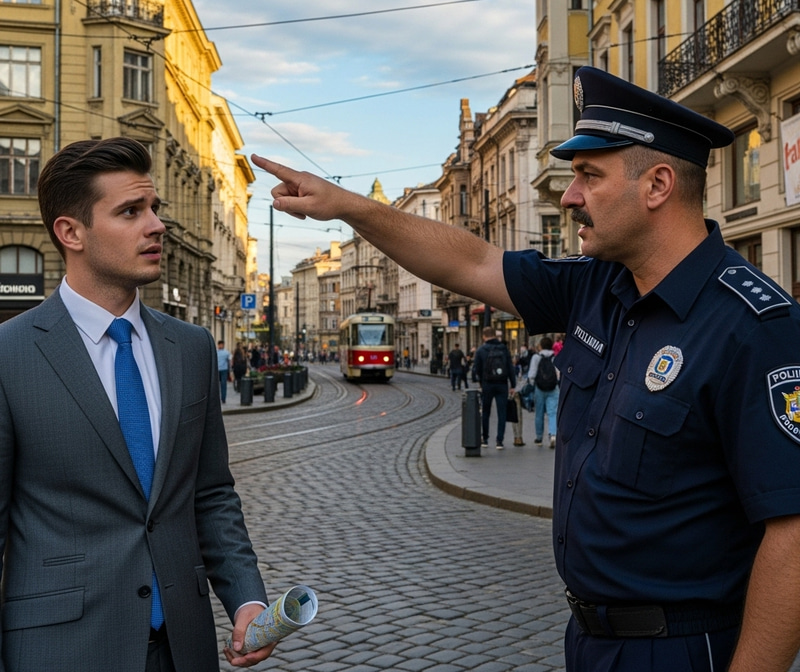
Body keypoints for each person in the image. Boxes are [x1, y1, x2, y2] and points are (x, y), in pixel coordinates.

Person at [252, 65, 800, 672]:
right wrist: (348, 206)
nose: (569, 196)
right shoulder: (597, 286)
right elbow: (472, 262)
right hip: (590, 642)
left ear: (658, 185)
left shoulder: (755, 325)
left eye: (589, 176)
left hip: (684, 649)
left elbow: (794, 535)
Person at [0, 137, 275, 672]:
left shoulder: (191, 346)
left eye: (154, 208)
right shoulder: (9, 354)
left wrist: (248, 600)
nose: (156, 226)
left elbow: (212, 492)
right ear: (71, 232)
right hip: (61, 651)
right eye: (130, 211)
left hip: (184, 646)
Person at [471, 326, 516, 449]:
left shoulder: (481, 350)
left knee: (486, 412)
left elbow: (477, 369)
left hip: (487, 384)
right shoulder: (503, 348)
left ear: (484, 336)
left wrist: (480, 381)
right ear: (495, 335)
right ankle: (499, 441)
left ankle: (485, 439)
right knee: (502, 413)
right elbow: (510, 368)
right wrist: (513, 385)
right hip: (502, 383)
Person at [527, 336, 559, 448]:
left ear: (541, 345)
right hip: (553, 387)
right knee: (552, 412)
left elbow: (532, 374)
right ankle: (553, 434)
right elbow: (559, 374)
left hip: (539, 388)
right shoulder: (555, 357)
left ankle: (539, 437)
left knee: (539, 413)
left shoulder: (536, 357)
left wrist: (532, 384)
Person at [217, 339, 232, 404]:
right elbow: (230, 361)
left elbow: (230, 361)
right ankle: (220, 398)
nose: (220, 346)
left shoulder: (226, 352)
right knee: (220, 385)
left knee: (222, 385)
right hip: (220, 370)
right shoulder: (217, 352)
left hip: (222, 370)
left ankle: (223, 398)